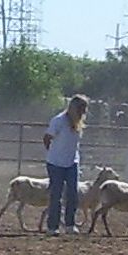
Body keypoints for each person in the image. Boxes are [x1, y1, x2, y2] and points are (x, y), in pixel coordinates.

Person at [43, 94, 89, 236]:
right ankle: (52, 227)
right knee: (56, 195)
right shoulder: (58, 121)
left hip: (72, 162)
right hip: (56, 163)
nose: (83, 112)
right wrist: (53, 153)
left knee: (73, 194)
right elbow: (47, 138)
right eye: (81, 108)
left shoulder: (78, 124)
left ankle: (70, 224)